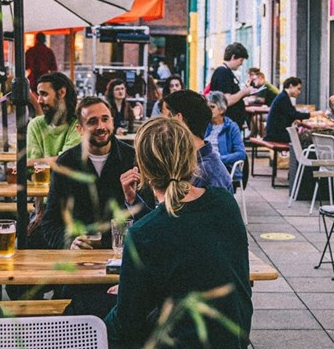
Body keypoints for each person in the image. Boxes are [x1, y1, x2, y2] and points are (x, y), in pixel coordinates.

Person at [104, 117, 253, 348]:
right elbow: (192, 260)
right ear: (192, 157)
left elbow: (127, 324)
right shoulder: (225, 203)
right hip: (234, 339)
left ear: (142, 168)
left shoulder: (144, 234)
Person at [39, 97, 153, 317]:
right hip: (82, 268)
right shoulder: (66, 163)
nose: (101, 126)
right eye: (92, 121)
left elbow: (151, 218)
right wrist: (70, 242)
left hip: (127, 265)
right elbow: (50, 222)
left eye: (105, 119)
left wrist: (133, 201)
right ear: (80, 128)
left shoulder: (134, 158)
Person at [162, 90, 233, 193]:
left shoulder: (206, 173)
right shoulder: (193, 163)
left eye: (166, 118)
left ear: (179, 120)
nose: (162, 125)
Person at [27, 72, 81, 165]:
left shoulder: (79, 124)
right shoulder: (35, 125)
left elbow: (67, 161)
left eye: (44, 94)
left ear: (61, 93)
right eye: (38, 95)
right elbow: (30, 168)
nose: (39, 100)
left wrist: (37, 162)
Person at [210, 42, 256, 129]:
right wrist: (244, 92)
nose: (241, 64)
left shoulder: (225, 72)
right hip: (227, 123)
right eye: (241, 60)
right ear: (233, 57)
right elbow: (227, 100)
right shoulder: (223, 73)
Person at [264, 77, 325, 144]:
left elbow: (290, 114)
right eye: (298, 89)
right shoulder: (283, 98)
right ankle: (303, 154)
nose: (299, 92)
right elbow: (294, 114)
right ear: (291, 86)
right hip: (277, 135)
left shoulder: (283, 96)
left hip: (274, 133)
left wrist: (298, 121)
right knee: (307, 139)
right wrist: (314, 114)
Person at [205, 92, 246, 181]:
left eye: (212, 107)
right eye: (207, 107)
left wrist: (220, 158)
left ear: (222, 110)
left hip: (223, 166)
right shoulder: (205, 125)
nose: (208, 110)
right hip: (204, 164)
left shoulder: (231, 127)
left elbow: (241, 153)